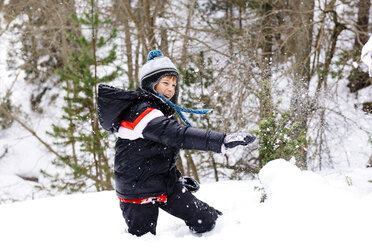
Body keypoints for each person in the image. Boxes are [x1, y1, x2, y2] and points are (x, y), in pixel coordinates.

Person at [97, 50, 256, 236]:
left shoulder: (160, 111)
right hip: (137, 190)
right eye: (165, 83)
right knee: (142, 240)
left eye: (174, 84)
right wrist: (221, 140)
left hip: (165, 183)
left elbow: (157, 153)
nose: (170, 89)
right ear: (151, 84)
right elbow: (178, 135)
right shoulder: (141, 113)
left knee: (209, 221)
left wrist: (178, 178)